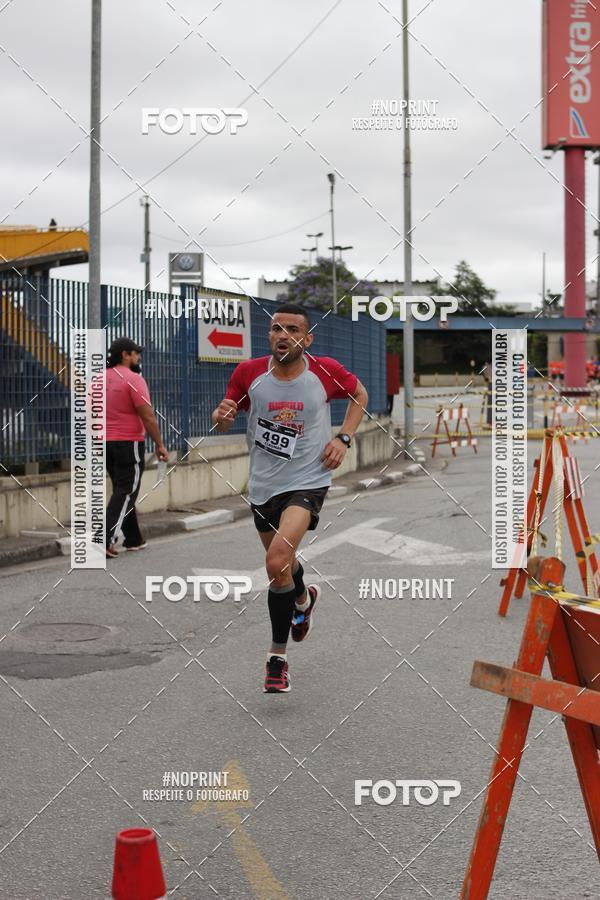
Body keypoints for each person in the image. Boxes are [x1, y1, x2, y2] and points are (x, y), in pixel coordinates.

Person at [211, 303, 368, 693]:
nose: (284, 335)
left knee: (276, 560)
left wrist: (343, 437)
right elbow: (225, 412)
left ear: (306, 338)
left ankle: (276, 660)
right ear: (270, 336)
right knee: (284, 567)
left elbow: (359, 394)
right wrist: (222, 416)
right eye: (277, 329)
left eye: (293, 329)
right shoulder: (250, 374)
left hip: (308, 479)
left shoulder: (325, 371)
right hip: (263, 485)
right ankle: (303, 598)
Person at [104, 337, 168, 558]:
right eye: (135, 353)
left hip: (105, 443)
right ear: (125, 355)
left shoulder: (97, 380)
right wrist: (159, 444)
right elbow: (148, 417)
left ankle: (134, 538)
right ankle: (104, 539)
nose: (138, 357)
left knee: (123, 490)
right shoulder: (133, 379)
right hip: (128, 442)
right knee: (126, 490)